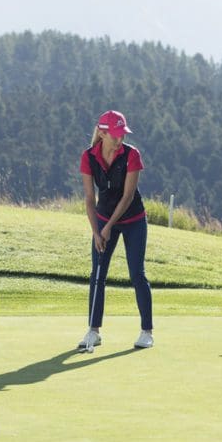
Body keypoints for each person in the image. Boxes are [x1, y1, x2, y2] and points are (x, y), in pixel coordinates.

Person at [78, 110, 153, 351]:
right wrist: (96, 231)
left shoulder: (132, 155)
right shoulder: (88, 157)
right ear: (102, 133)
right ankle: (93, 331)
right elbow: (90, 199)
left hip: (133, 220)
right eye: (116, 134)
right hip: (101, 218)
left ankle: (146, 331)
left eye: (123, 134)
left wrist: (108, 227)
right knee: (97, 274)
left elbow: (128, 196)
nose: (120, 139)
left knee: (136, 273)